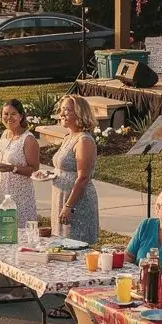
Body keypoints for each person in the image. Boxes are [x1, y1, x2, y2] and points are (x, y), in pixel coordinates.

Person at [50, 94, 99, 245]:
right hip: (61, 196)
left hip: (77, 202)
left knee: (76, 245)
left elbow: (83, 177)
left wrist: (69, 206)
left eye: (68, 110)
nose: (62, 113)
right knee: (61, 244)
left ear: (80, 113)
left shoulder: (84, 140)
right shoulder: (68, 137)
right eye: (62, 109)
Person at [0, 99, 39, 228]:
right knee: (1, 231)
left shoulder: (28, 139)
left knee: (17, 231)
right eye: (5, 114)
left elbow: (34, 170)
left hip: (19, 195)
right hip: (1, 190)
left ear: (21, 116)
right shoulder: (5, 134)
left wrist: (12, 168)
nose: (9, 118)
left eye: (13, 114)